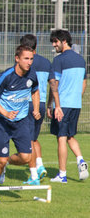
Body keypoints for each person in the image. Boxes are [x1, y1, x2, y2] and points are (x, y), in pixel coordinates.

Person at [0, 45, 40, 203]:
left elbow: (35, 91)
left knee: (25, 157)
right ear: (17, 58)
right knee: (0, 160)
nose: (29, 62)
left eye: (31, 59)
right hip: (2, 122)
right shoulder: (5, 76)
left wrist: (35, 108)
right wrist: (5, 112)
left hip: (21, 122)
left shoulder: (32, 75)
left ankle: (4, 163)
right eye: (26, 58)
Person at [19, 34, 63, 185]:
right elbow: (53, 85)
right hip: (42, 104)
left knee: (27, 140)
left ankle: (34, 174)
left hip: (28, 104)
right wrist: (56, 105)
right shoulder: (45, 62)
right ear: (36, 46)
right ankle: (40, 165)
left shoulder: (23, 61)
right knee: (33, 138)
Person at [48, 29, 89, 183]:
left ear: (63, 41)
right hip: (75, 104)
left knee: (61, 137)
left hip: (62, 105)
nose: (54, 45)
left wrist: (53, 105)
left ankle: (62, 175)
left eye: (55, 42)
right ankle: (80, 160)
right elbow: (84, 82)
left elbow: (54, 84)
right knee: (70, 135)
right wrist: (77, 98)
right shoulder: (81, 59)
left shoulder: (59, 60)